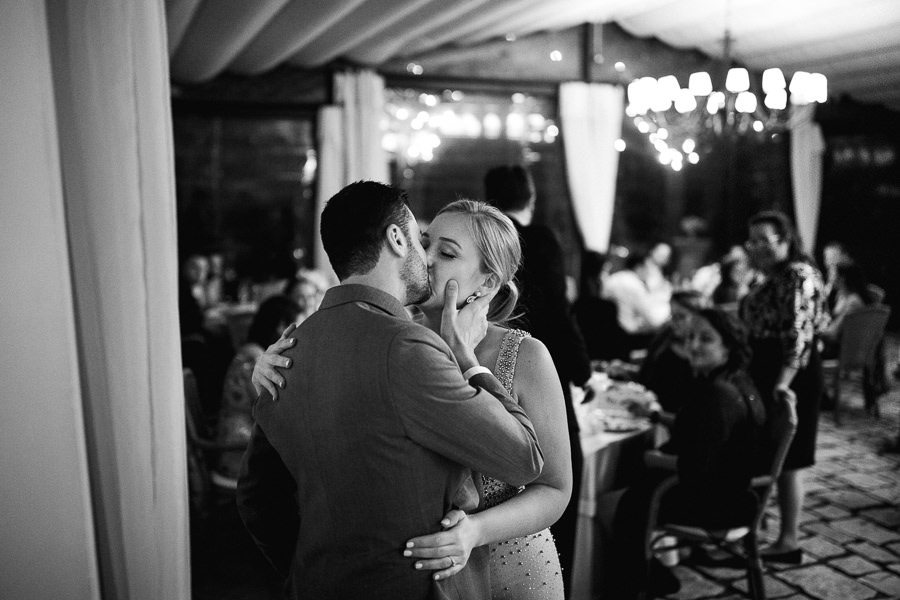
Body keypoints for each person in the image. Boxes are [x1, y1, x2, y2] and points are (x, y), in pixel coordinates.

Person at [236, 181, 544, 600]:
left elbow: (257, 496)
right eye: (422, 241)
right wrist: (468, 361)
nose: (428, 260)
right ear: (396, 239)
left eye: (445, 251)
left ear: (488, 282)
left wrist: (309, 569)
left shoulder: (293, 347)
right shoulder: (405, 346)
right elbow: (523, 457)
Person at [483, 164, 591, 591]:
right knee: (560, 474)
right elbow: (560, 315)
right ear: (530, 197)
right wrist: (582, 368)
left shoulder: (483, 244)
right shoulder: (541, 240)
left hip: (496, 359)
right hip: (540, 368)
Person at [609, 308, 767, 599]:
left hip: (716, 504)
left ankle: (633, 583)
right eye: (691, 336)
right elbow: (698, 430)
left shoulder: (719, 394)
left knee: (614, 499)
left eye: (706, 339)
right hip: (738, 494)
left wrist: (648, 457)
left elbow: (696, 468)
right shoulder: (737, 380)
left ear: (728, 347)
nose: (693, 345)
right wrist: (656, 416)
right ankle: (649, 571)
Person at [740, 210, 828, 564]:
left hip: (791, 376)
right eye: (753, 240)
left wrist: (781, 386)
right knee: (769, 452)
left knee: (790, 458)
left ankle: (789, 541)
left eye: (765, 240)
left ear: (786, 239)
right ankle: (756, 527)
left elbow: (799, 335)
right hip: (767, 371)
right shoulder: (770, 276)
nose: (757, 247)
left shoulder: (799, 275)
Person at [213, 294, 301, 483]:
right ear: (281, 326)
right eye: (296, 327)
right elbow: (272, 410)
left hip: (243, 445)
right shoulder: (253, 359)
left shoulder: (253, 352)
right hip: (239, 455)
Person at [636, 289, 709, 414]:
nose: (673, 322)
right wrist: (626, 371)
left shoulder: (702, 353)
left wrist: (656, 416)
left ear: (700, 318)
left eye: (680, 316)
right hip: (646, 406)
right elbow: (649, 376)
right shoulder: (666, 334)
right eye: (672, 315)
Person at [602, 249, 672, 350]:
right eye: (647, 268)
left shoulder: (612, 279)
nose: (649, 273)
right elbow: (654, 320)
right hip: (627, 338)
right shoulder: (635, 285)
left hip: (606, 335)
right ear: (639, 267)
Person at [572, 250, 629, 363]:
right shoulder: (606, 308)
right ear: (595, 275)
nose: (607, 277)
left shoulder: (576, 305)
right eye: (605, 271)